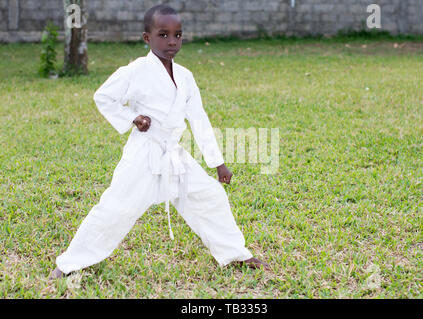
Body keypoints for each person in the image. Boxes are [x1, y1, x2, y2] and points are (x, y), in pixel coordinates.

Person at [50, 4, 269, 279]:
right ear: (147, 38)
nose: (172, 42)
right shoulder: (136, 71)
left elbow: (199, 119)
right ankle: (69, 263)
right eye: (163, 35)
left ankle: (235, 254)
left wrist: (218, 163)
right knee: (116, 208)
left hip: (174, 154)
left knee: (210, 196)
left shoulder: (186, 77)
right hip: (144, 154)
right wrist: (133, 117)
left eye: (177, 35)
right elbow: (103, 97)